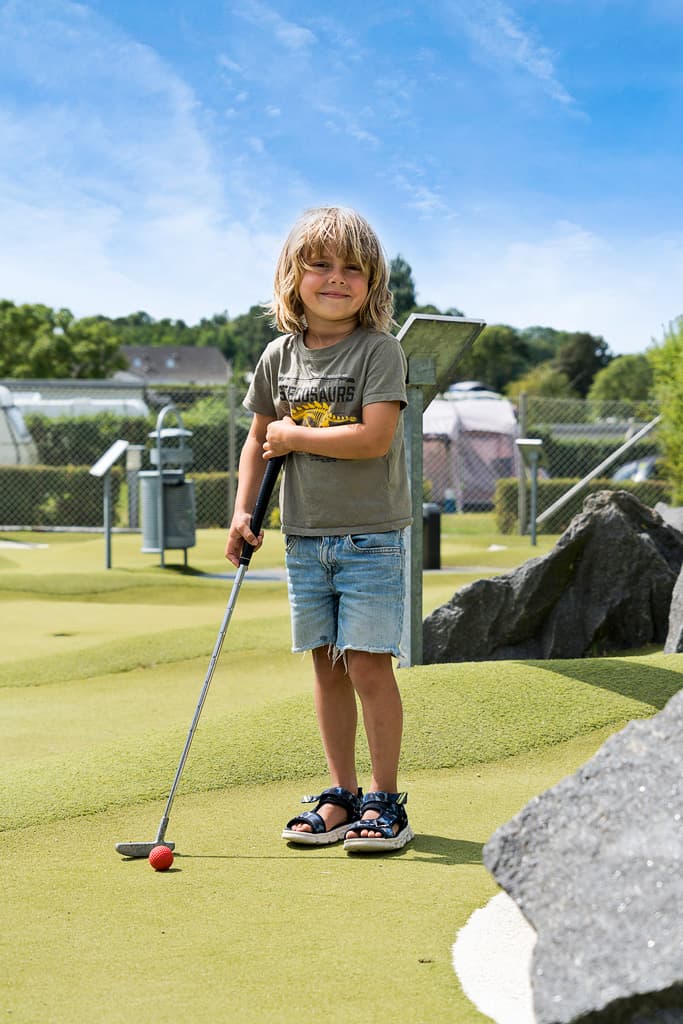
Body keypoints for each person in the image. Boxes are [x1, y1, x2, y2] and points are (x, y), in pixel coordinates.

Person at [225, 206, 414, 853]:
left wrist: (293, 433)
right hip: (304, 539)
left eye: (352, 270)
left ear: (371, 283)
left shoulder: (378, 350)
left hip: (369, 537)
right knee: (326, 668)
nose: (336, 279)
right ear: (293, 276)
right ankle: (341, 794)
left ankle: (385, 802)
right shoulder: (277, 357)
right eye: (320, 265)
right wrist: (242, 512)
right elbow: (258, 443)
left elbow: (373, 437)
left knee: (365, 666)